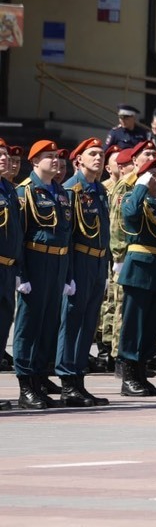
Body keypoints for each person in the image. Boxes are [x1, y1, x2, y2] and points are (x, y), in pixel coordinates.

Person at [14, 140, 74, 409]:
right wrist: (22, 273)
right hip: (36, 262)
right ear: (34, 161)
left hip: (58, 263)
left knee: (49, 324)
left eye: (56, 156)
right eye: (48, 156)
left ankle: (39, 379)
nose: (55, 160)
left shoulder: (60, 192)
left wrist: (68, 274)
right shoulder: (24, 191)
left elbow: (66, 235)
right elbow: (19, 236)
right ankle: (25, 385)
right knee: (29, 325)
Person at [58, 138, 111, 407]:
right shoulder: (70, 190)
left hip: (97, 262)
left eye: (101, 154)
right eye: (92, 154)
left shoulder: (99, 190)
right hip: (78, 260)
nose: (98, 158)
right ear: (78, 160)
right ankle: (67, 381)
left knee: (88, 323)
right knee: (72, 322)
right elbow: (66, 235)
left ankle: (79, 378)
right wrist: (68, 274)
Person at [116, 156, 156, 398]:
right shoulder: (133, 197)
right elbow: (130, 215)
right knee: (134, 325)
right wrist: (140, 186)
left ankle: (141, 374)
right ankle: (129, 377)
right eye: (153, 175)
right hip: (139, 268)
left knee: (150, 326)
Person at [0, 139, 23, 410]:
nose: (4, 159)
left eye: (6, 155)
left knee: (2, 329)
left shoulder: (9, 190)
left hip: (7, 268)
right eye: (0, 155)